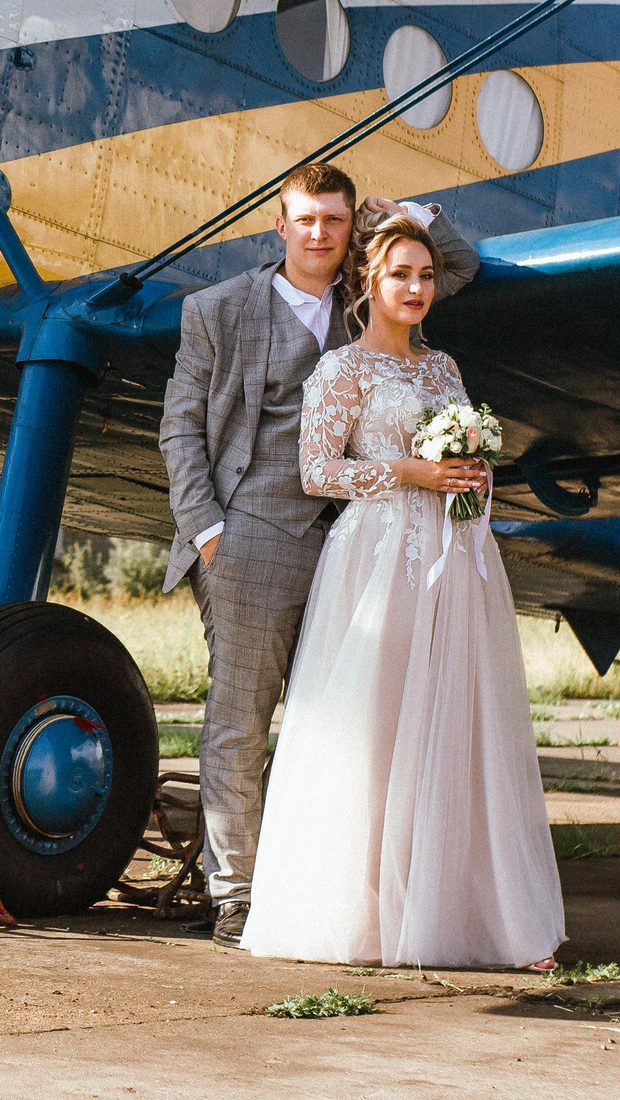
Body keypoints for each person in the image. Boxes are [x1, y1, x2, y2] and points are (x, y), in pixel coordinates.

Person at [157, 162, 478, 950]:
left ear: (349, 230)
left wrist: (406, 210)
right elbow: (180, 427)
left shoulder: (369, 301)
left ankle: (325, 887)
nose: (320, 234)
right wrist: (206, 530)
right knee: (239, 722)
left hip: (355, 543)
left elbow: (457, 263)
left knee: (343, 723)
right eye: (305, 219)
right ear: (280, 223)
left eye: (335, 221)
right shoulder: (219, 308)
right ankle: (234, 894)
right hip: (253, 533)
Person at [243, 210, 564, 968]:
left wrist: (467, 481)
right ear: (368, 282)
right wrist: (413, 472)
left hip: (449, 557)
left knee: (450, 725)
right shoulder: (341, 370)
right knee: (376, 726)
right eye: (400, 273)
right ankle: (363, 915)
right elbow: (317, 472)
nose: (416, 286)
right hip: (376, 559)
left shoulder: (443, 369)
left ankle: (461, 911)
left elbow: (458, 458)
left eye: (425, 275)